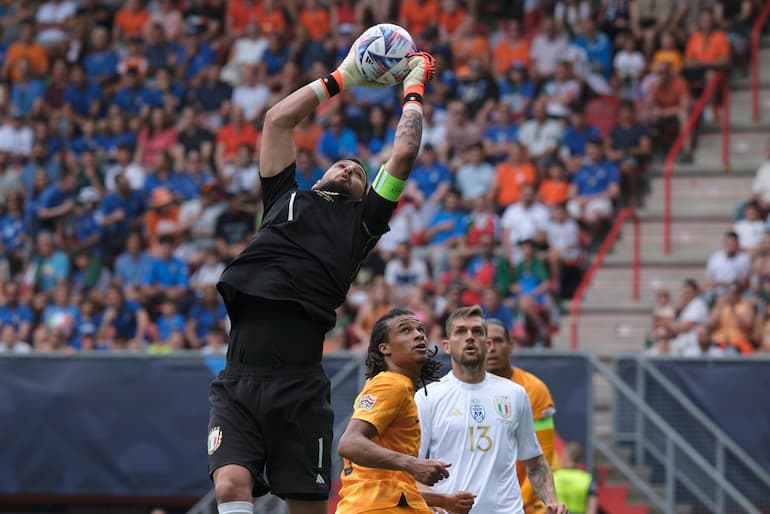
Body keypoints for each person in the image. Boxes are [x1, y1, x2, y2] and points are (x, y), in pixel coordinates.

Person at [207, 45, 437, 514]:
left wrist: (413, 87)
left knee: (305, 505)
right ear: (319, 176)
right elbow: (276, 120)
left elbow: (406, 151)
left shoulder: (363, 223)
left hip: (301, 383)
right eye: (343, 165)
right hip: (239, 377)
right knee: (230, 485)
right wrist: (344, 77)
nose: (351, 168)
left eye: (359, 173)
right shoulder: (283, 197)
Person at [416, 306, 567, 514]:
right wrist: (435, 503)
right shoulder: (428, 396)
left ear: (487, 345)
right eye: (461, 332)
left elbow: (535, 461)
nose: (470, 337)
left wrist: (552, 500)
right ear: (447, 346)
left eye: (477, 331)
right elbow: (413, 467)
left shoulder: (515, 394)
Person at [336, 308, 476, 513]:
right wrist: (412, 464)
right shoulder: (392, 385)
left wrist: (443, 500)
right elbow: (349, 443)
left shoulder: (393, 386)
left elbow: (387, 480)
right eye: (405, 330)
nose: (419, 334)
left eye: (420, 329)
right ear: (385, 348)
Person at [486, 319, 557, 514]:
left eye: (498, 341)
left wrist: (518, 501)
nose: (491, 348)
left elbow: (544, 452)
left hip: (526, 503)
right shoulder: (464, 391)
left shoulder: (534, 390)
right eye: (485, 342)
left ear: (511, 345)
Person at [553, 442, 598, 514]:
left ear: (565, 456)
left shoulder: (553, 478)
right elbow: (591, 510)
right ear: (579, 459)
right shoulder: (588, 480)